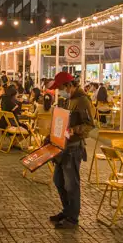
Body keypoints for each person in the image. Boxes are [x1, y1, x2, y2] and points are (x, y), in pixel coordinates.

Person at [49, 72, 95, 229]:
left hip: (74, 148)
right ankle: (67, 210)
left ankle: (72, 218)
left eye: (61, 88)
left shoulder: (83, 101)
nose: (59, 91)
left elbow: (90, 125)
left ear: (69, 85)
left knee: (71, 184)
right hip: (63, 146)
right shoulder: (69, 100)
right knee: (58, 181)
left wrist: (75, 130)